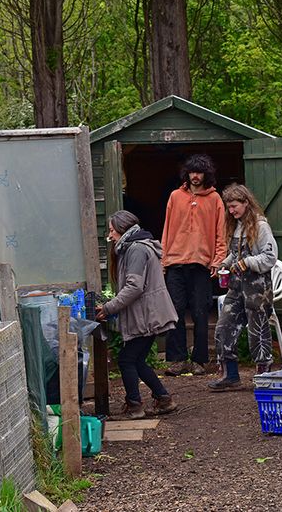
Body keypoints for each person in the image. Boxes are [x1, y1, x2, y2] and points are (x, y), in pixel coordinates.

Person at [96, 210, 179, 419]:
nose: (110, 235)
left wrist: (109, 308)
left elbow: (134, 287)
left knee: (127, 359)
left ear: (122, 229)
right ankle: (163, 399)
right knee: (137, 359)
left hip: (147, 315)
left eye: (112, 230)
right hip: (147, 312)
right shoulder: (133, 247)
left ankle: (135, 406)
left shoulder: (136, 249)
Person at [161, 154, 227, 376]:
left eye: (199, 173)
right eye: (192, 172)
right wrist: (163, 259)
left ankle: (200, 360)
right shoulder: (175, 196)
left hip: (202, 264)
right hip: (175, 262)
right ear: (186, 174)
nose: (195, 176)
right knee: (175, 311)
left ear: (206, 175)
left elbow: (221, 232)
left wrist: (218, 259)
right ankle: (177, 360)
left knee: (200, 312)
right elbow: (167, 228)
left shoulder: (215, 199)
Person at [209, 184, 278, 391]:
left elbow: (270, 256)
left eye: (234, 206)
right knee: (224, 326)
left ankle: (264, 375)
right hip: (236, 287)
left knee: (258, 330)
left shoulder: (260, 226)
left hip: (257, 288)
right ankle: (230, 375)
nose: (231, 211)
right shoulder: (237, 225)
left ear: (246, 203)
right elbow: (235, 253)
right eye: (229, 207)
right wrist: (224, 264)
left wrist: (248, 263)